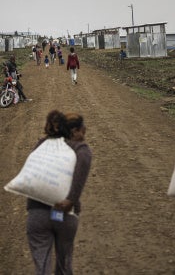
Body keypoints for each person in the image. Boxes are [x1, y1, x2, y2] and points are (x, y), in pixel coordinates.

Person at [26, 110, 92, 275]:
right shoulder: (80, 149)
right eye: (82, 129)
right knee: (64, 264)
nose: (84, 133)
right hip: (64, 214)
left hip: (37, 212)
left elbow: (31, 172)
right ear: (74, 131)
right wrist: (71, 200)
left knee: (41, 266)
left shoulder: (42, 144)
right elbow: (80, 174)